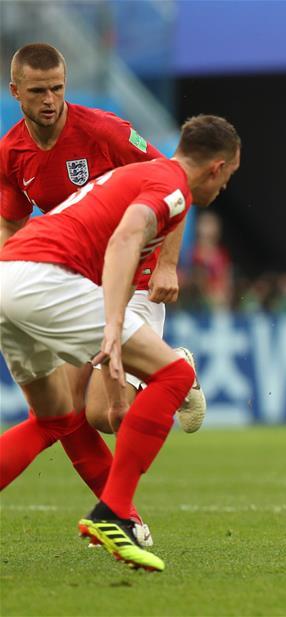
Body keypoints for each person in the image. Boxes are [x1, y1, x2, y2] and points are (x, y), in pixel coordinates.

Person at [0, 114, 241, 572]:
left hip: (8, 275)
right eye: (228, 176)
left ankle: (116, 512)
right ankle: (114, 514)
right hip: (49, 280)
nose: (225, 188)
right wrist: (113, 324)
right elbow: (127, 236)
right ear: (217, 168)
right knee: (175, 373)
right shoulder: (173, 188)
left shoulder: (137, 171)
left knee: (55, 419)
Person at [0, 42, 207, 537]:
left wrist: (168, 266)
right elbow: (11, 225)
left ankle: (167, 366)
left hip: (132, 275)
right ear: (16, 93)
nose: (50, 100)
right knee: (82, 416)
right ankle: (120, 516)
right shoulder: (11, 152)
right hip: (69, 280)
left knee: (108, 413)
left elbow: (175, 181)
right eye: (38, 91)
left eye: (57, 88)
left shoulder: (103, 130)